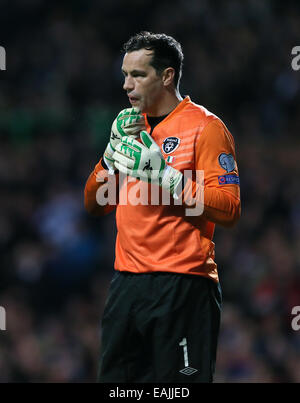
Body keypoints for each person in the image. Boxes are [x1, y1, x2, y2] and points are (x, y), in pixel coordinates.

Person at [84, 31, 241, 383]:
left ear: (167, 76)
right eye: (125, 75)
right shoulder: (128, 129)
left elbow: (229, 209)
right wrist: (109, 159)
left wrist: (167, 177)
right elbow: (94, 205)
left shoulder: (206, 127)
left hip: (184, 286)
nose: (127, 85)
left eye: (138, 75)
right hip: (126, 286)